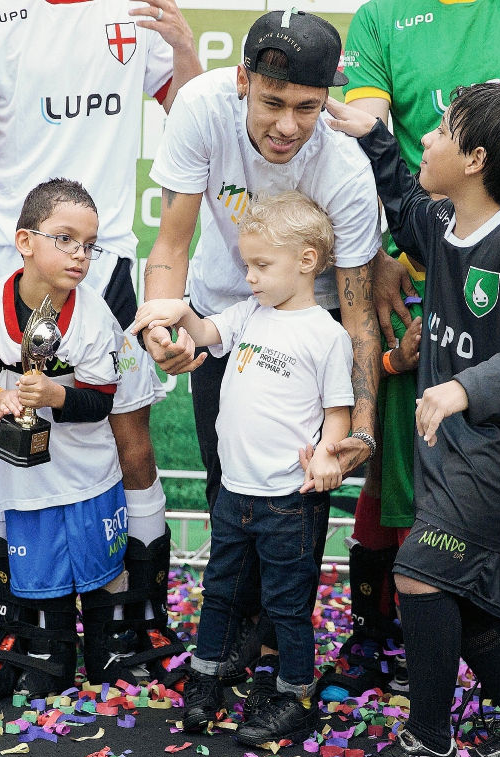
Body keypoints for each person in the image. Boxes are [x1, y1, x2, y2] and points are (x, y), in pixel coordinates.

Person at [326, 0, 500, 718]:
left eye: (441, 130)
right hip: (457, 458)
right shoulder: (442, 224)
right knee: (465, 600)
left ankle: (430, 737)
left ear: (474, 159)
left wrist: (464, 389)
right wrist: (368, 136)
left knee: (424, 572)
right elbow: (399, 191)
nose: (425, 133)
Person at [0, 0, 201, 686]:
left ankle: (132, 618)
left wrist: (186, 53)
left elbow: (189, 109)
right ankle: (18, 622)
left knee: (129, 437)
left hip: (106, 262)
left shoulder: (133, 7)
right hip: (9, 259)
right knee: (3, 445)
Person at [143, 9, 382, 694]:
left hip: (312, 328)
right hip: (224, 313)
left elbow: (361, 316)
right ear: (242, 79)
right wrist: (165, 326)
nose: (287, 125)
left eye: (307, 107)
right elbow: (171, 243)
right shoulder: (199, 106)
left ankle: (279, 644)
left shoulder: (345, 169)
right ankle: (237, 633)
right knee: (228, 485)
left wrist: (360, 426)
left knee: (296, 501)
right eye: (272, 102)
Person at [134, 192, 354, 745]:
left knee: (287, 603)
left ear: (306, 261)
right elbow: (206, 332)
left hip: (289, 498)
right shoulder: (248, 313)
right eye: (246, 264)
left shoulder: (327, 334)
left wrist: (328, 453)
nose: (249, 277)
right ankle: (206, 683)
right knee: (222, 593)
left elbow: (338, 413)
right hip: (234, 493)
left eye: (261, 265)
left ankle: (293, 695)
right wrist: (176, 310)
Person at [0, 179, 127, 698]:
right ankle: (38, 647)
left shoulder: (95, 318)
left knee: (94, 570)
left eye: (89, 245)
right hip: (18, 476)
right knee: (35, 575)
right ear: (25, 242)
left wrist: (56, 396)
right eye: (65, 239)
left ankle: (104, 647)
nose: (80, 255)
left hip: (85, 473)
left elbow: (102, 402)